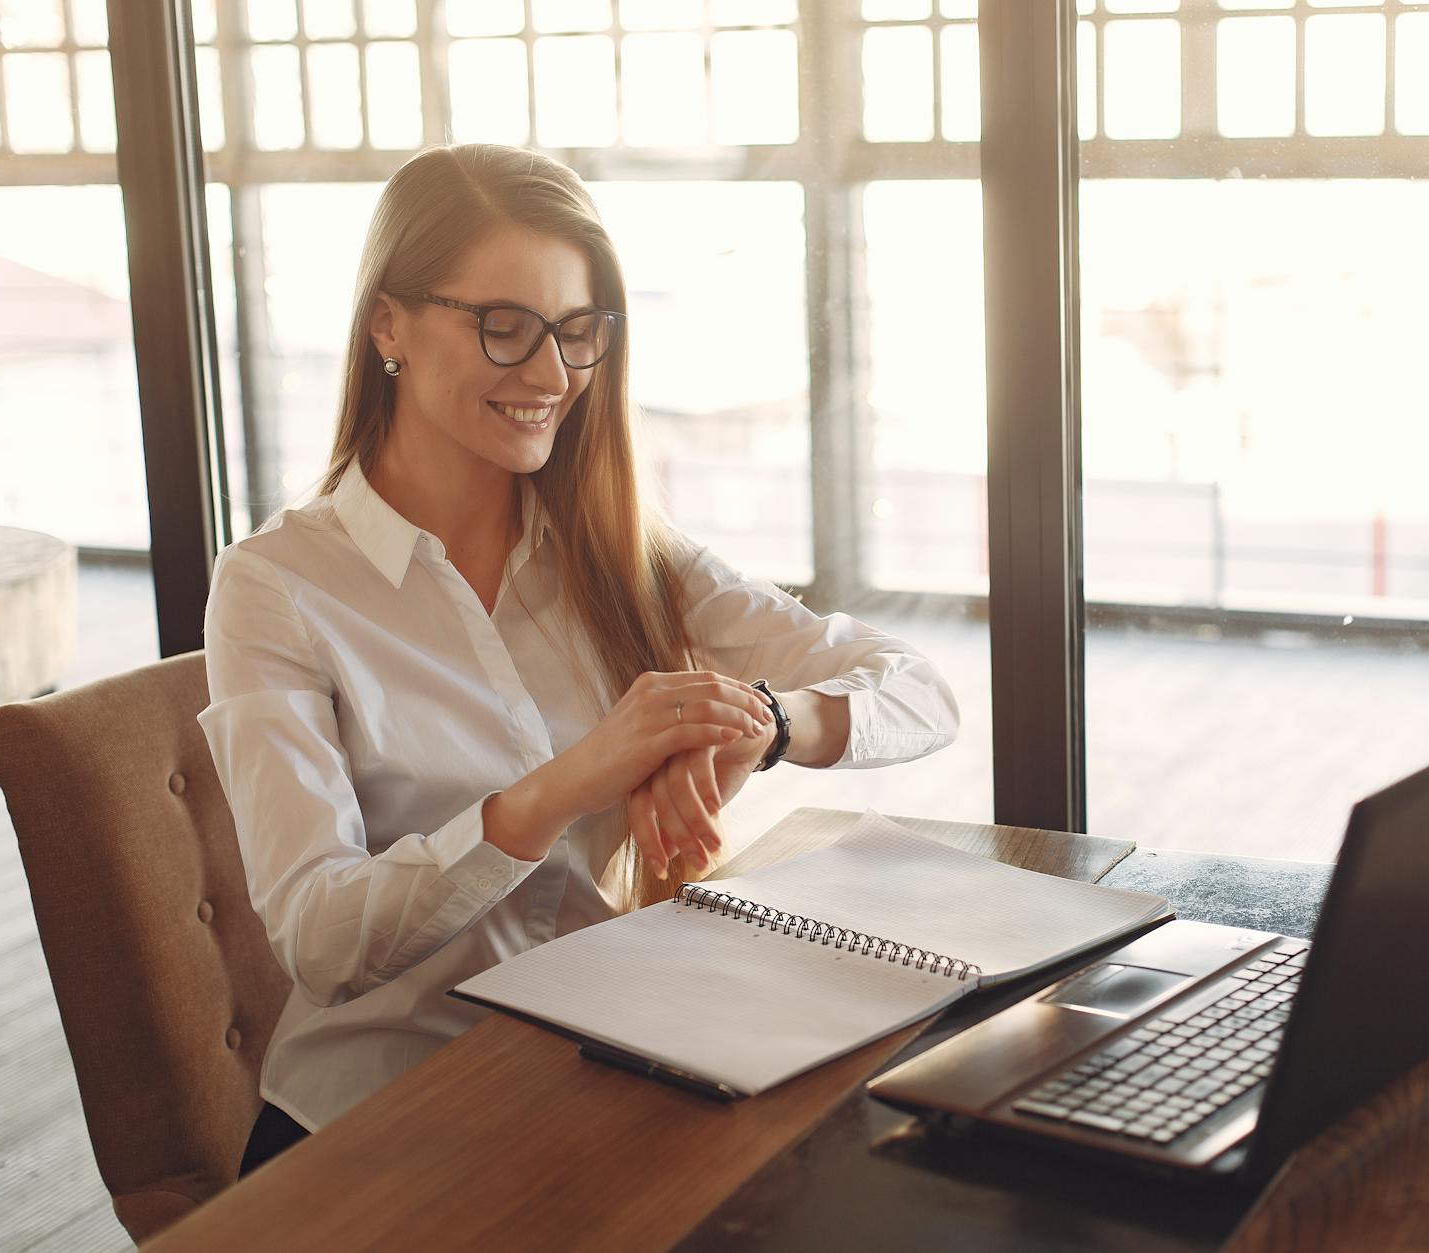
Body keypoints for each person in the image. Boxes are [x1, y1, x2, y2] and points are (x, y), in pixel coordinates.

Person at [199, 144, 960, 1177]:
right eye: (502, 326)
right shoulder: (276, 585)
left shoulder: (617, 552)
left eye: (574, 331)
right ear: (389, 324)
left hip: (598, 1067)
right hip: (370, 1125)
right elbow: (321, 940)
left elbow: (918, 688)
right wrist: (566, 782)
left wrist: (764, 721)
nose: (551, 376)